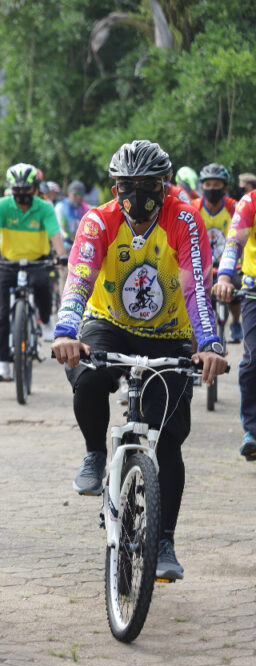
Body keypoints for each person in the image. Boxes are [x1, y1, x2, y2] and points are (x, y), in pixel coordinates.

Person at [53, 139, 227, 581]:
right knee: (88, 380)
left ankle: (164, 539)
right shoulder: (97, 222)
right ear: (114, 188)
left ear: (164, 186)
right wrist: (65, 333)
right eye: (126, 186)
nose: (137, 196)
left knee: (168, 438)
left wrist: (209, 343)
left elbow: (195, 290)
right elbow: (78, 279)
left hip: (170, 333)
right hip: (107, 322)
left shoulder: (184, 220)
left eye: (148, 186)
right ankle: (94, 453)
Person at [0, 163, 67, 381]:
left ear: (35, 188)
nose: (21, 195)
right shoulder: (1, 206)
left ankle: (47, 320)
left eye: (26, 190)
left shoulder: (44, 208)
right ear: (11, 189)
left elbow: (55, 235)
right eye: (17, 190)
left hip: (37, 261)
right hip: (9, 262)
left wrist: (61, 255)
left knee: (42, 284)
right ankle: (3, 363)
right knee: (3, 314)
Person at [214, 180, 256, 458]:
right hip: (254, 290)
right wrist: (226, 276)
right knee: (254, 360)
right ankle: (253, 429)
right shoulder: (249, 202)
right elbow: (234, 243)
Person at [193, 163, 240, 341]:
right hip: (201, 263)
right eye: (208, 184)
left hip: (228, 263)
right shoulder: (193, 207)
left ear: (225, 187)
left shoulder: (234, 207)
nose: (212, 188)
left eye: (217, 184)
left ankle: (235, 321)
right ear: (202, 186)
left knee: (235, 288)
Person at [56, 180, 91, 250]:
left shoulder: (87, 208)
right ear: (69, 194)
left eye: (81, 195)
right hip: (64, 243)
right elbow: (58, 226)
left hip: (82, 244)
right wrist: (66, 237)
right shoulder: (60, 207)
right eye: (75, 194)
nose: (78, 197)